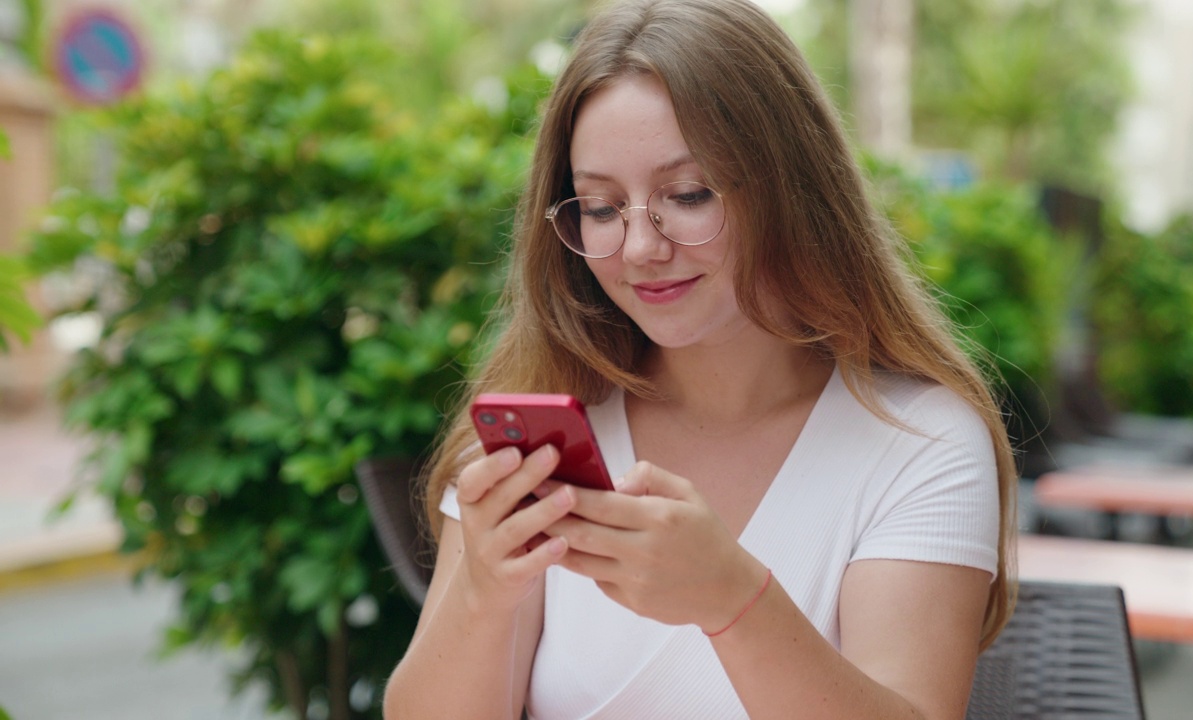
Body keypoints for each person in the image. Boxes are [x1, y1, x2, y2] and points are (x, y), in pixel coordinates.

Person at [384, 0, 1017, 717]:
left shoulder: (918, 442)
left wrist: (733, 601)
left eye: (686, 195)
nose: (641, 247)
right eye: (598, 208)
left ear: (792, 187)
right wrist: (485, 595)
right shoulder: (552, 426)